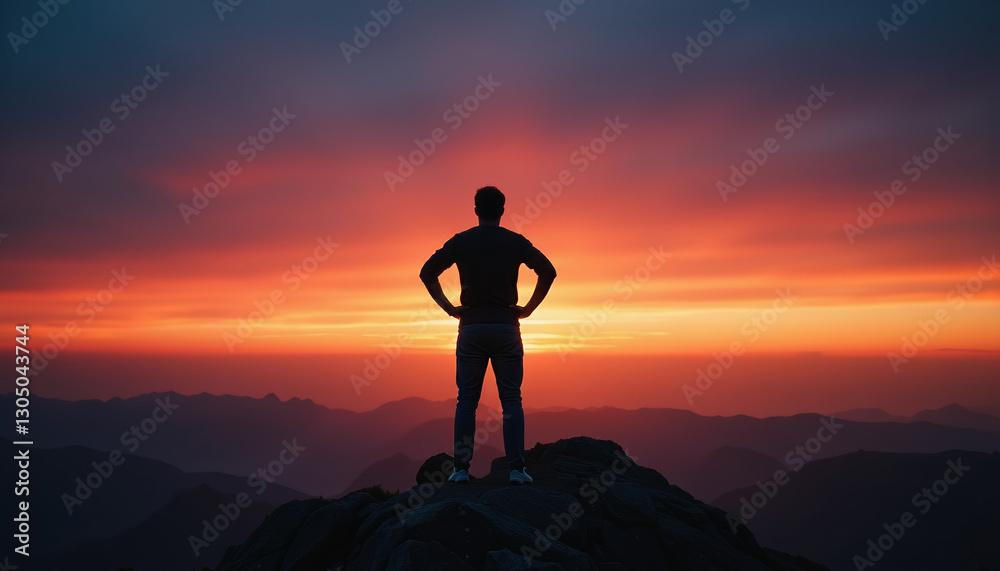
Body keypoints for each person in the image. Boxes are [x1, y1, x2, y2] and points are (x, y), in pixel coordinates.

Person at [419, 186, 556, 485]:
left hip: (471, 328)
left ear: (476, 210)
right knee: (511, 400)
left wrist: (449, 308)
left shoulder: (462, 241)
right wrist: (528, 309)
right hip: (507, 327)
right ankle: (517, 470)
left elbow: (427, 272)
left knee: (466, 401)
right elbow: (548, 271)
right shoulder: (516, 242)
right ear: (503, 210)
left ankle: (460, 471)